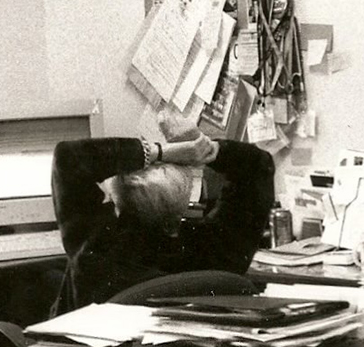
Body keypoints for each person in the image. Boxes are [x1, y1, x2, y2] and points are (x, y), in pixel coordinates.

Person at [50, 129, 275, 316]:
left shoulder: (99, 248)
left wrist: (158, 152)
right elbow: (259, 166)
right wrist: (208, 151)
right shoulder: (218, 248)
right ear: (186, 194)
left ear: (116, 194)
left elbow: (68, 157)